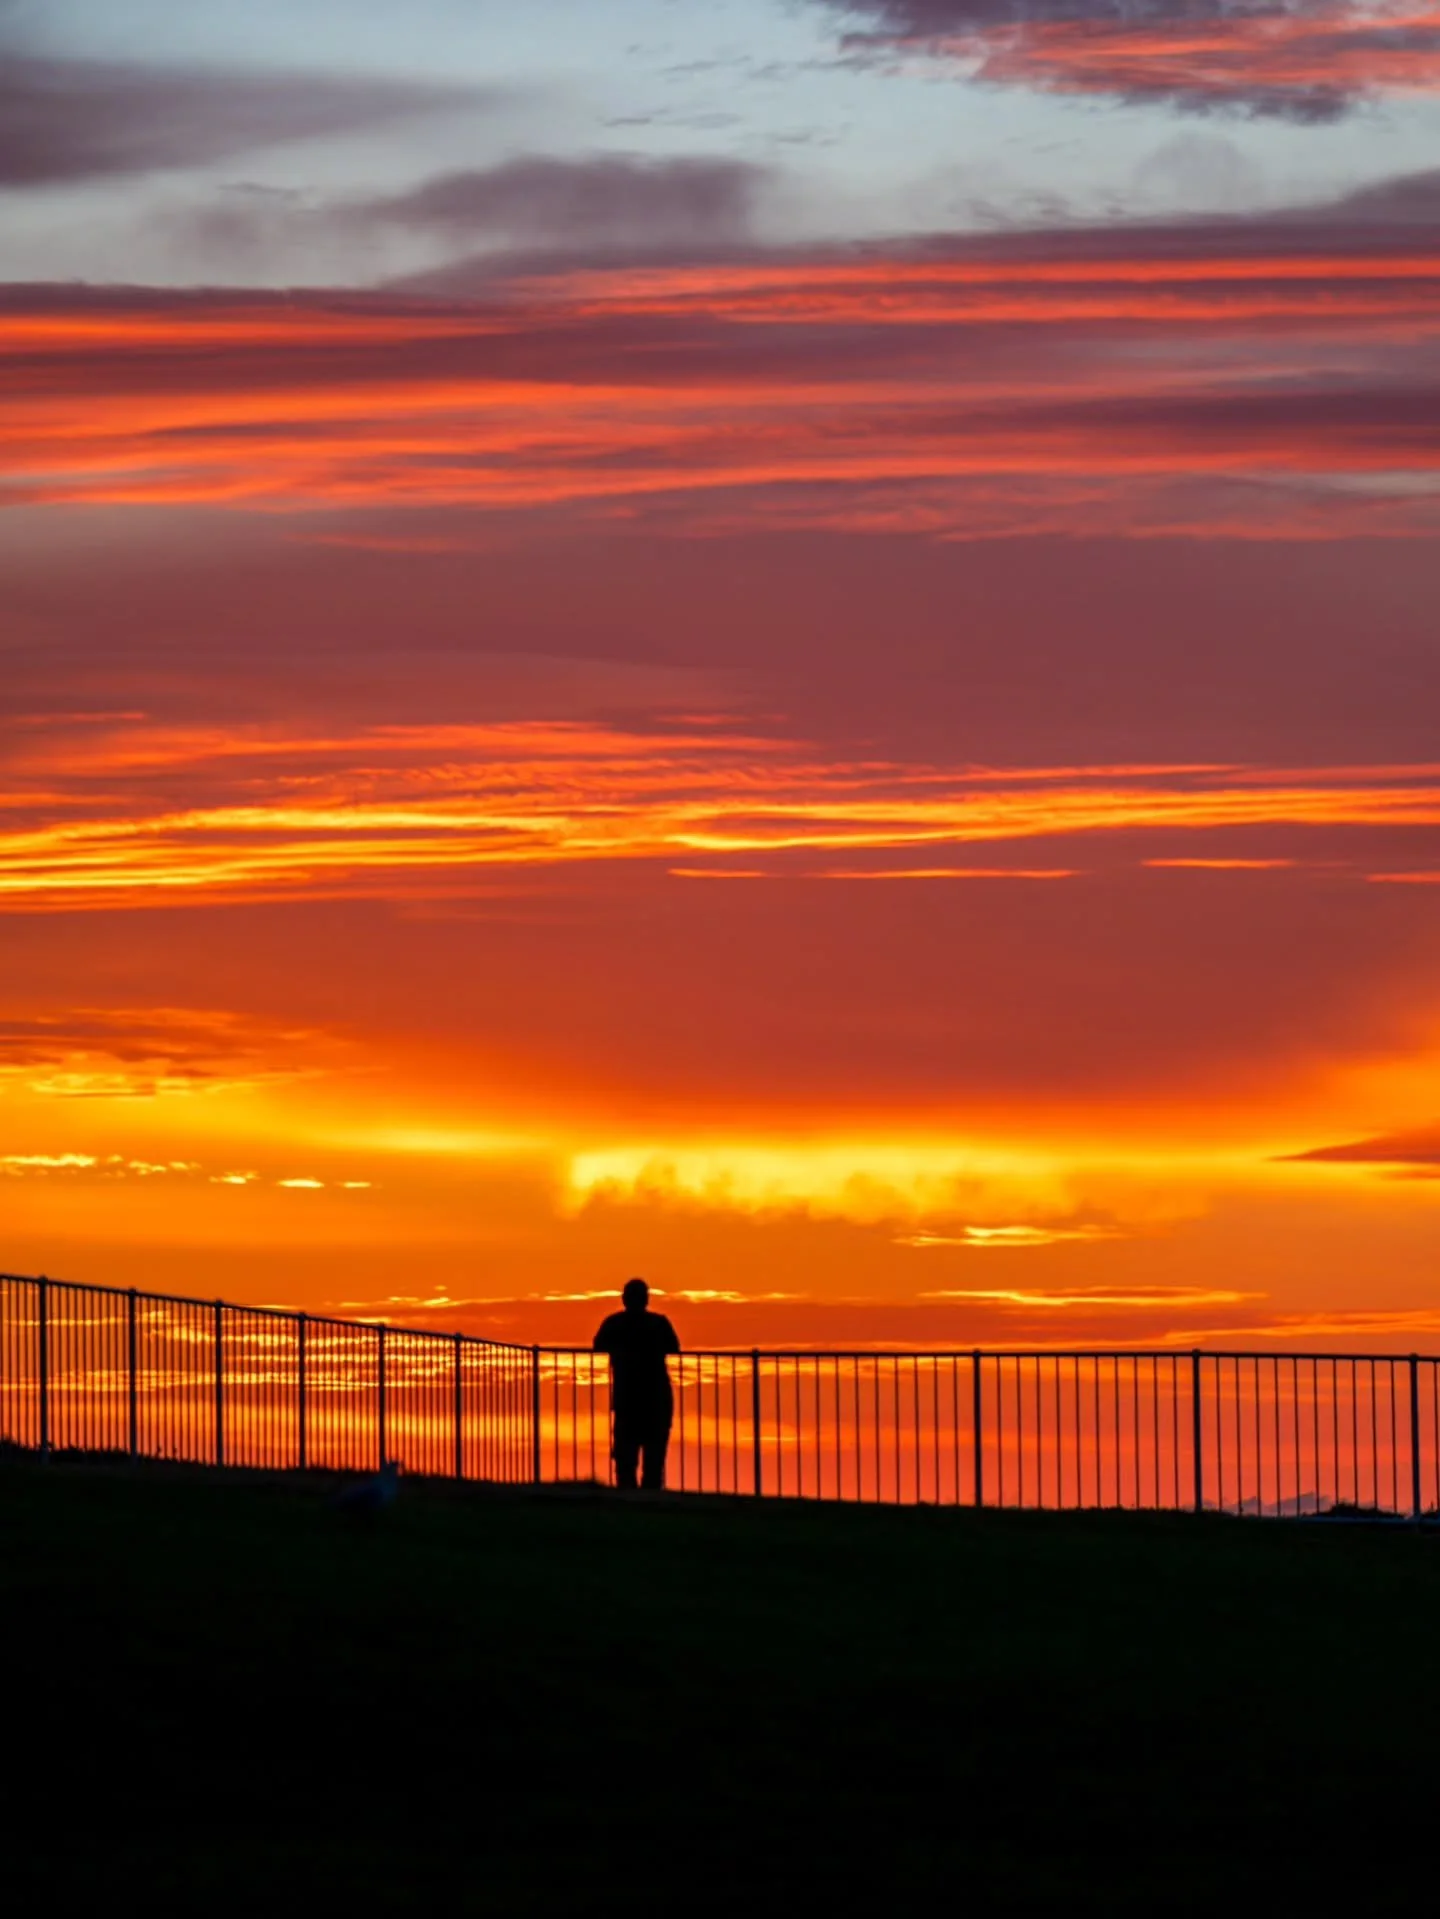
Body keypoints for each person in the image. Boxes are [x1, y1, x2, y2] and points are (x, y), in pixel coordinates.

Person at [592, 1278, 681, 1490]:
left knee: (628, 1458)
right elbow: (674, 1346)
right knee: (652, 1457)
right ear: (646, 1299)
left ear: (624, 1299)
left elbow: (598, 1345)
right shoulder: (658, 1323)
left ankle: (629, 1497)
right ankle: (649, 1497)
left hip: (630, 1397)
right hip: (654, 1397)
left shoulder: (614, 1323)